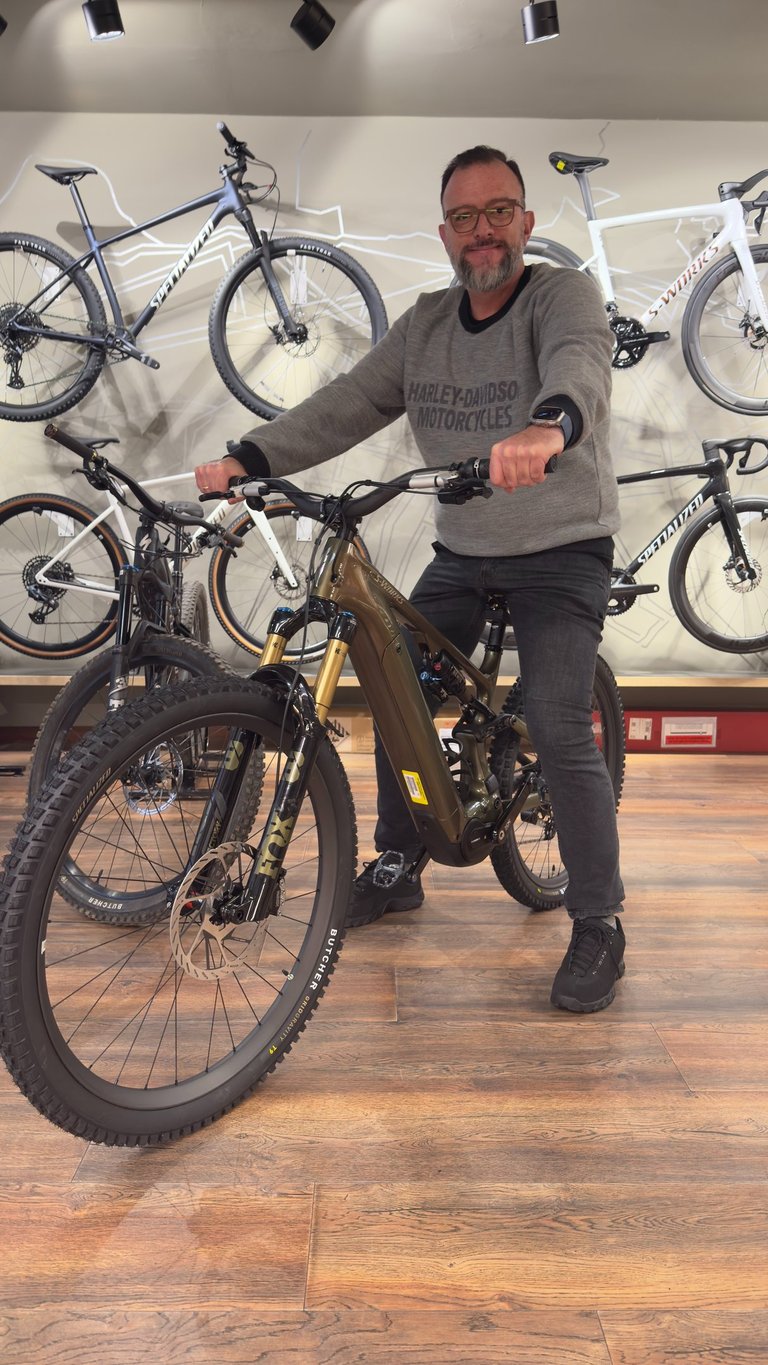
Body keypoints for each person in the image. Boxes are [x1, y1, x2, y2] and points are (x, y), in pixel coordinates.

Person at [195, 144, 626, 1014]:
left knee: (554, 719)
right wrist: (251, 455)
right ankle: (398, 861)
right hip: (466, 548)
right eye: (464, 217)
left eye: (498, 212)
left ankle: (599, 919)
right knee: (393, 683)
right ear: (445, 233)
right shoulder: (426, 325)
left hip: (563, 547)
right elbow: (351, 401)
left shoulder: (561, 296)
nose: (482, 231)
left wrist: (548, 427)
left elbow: (579, 364)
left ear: (525, 222)